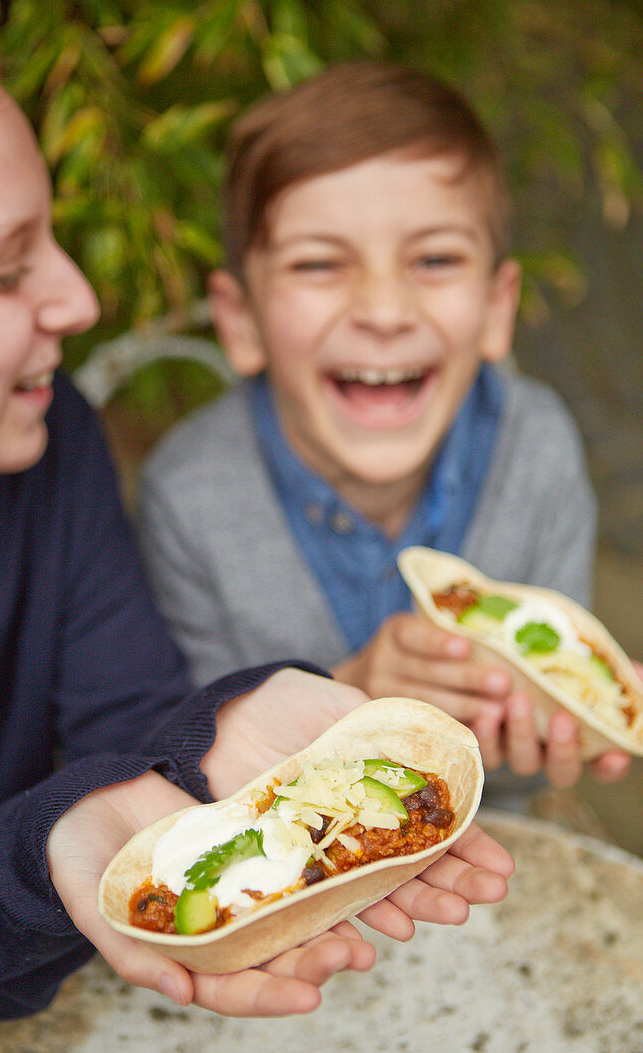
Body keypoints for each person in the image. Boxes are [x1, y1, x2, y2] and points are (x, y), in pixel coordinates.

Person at [0, 0, 515, 1052]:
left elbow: (133, 732)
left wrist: (214, 729)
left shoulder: (56, 451)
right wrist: (44, 856)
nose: (81, 300)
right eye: (6, 272)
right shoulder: (184, 483)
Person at [139, 61, 633, 799]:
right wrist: (347, 693)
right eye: (319, 264)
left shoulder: (535, 450)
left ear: (498, 309)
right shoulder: (190, 497)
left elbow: (535, 728)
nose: (384, 310)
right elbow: (174, 771)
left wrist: (544, 722)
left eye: (433, 259)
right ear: (240, 322)